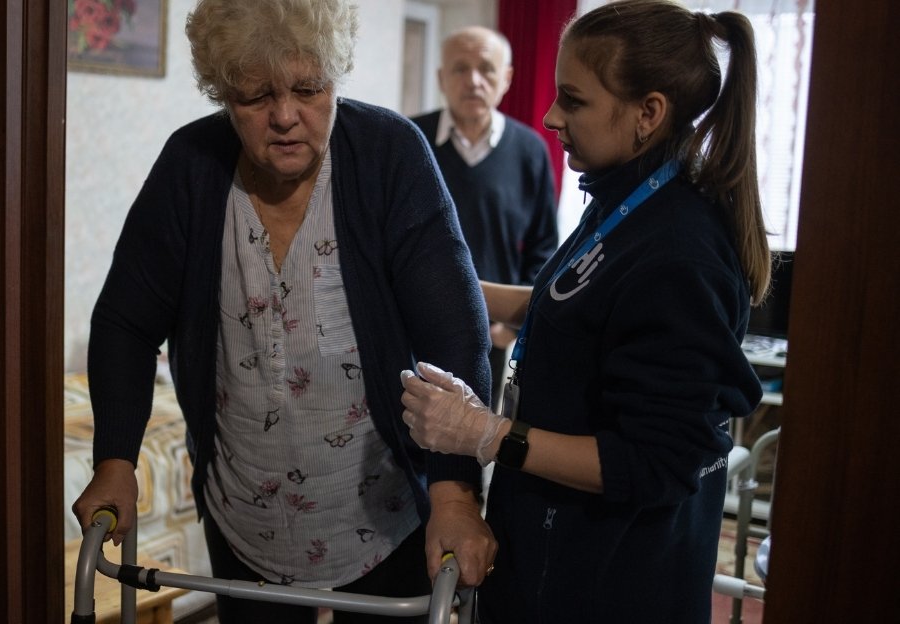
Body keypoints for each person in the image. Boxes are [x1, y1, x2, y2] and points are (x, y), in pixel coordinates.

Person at [70, 1, 497, 622]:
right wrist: (115, 461)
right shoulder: (192, 166)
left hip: (384, 515)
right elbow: (126, 323)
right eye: (255, 96)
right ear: (223, 94)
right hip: (244, 513)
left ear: (334, 76)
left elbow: (454, 332)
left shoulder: (389, 156)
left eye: (308, 88)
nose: (285, 117)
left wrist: (455, 492)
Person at [400, 1, 769, 622]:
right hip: (552, 549)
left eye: (573, 101)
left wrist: (482, 433)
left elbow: (654, 463)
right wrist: (433, 283)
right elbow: (568, 307)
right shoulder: (622, 202)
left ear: (648, 113)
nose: (548, 118)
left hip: (610, 582)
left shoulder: (679, 252)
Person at [410, 26, 558, 401]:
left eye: (486, 69)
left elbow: (543, 246)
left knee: (472, 435)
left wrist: (515, 324)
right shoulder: (410, 140)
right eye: (460, 69)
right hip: (416, 323)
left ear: (506, 78)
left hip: (491, 333)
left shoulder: (530, 151)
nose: (473, 81)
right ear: (442, 78)